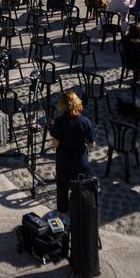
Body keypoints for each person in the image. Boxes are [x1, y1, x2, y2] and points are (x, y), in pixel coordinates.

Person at [49, 92, 96, 222]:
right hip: (81, 163)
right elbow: (92, 145)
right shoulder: (85, 122)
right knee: (80, 189)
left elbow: (55, 144)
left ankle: (62, 215)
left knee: (62, 189)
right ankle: (79, 212)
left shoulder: (59, 122)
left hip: (64, 163)